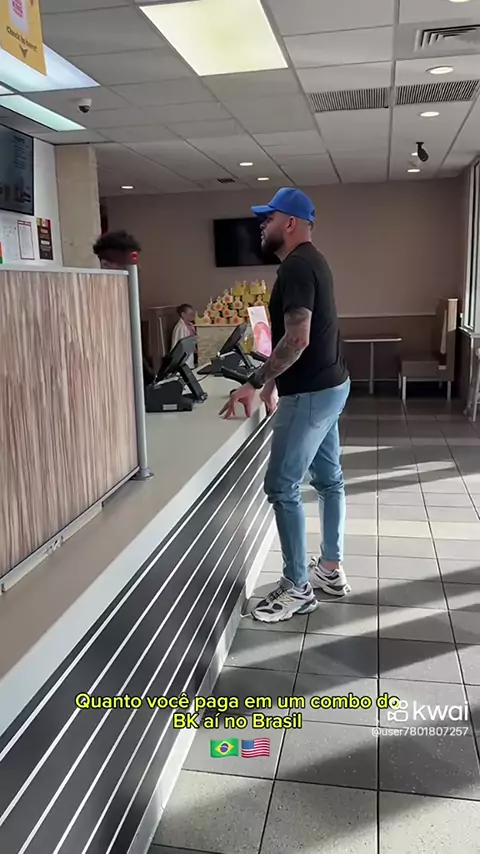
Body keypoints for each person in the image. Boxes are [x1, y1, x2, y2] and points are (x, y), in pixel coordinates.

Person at [220, 188, 351, 623]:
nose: (262, 225)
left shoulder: (295, 266)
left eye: (269, 218)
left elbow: (297, 338)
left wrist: (256, 381)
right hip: (331, 385)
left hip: (311, 394)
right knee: (329, 481)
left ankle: (298, 587)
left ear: (290, 223)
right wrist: (273, 380)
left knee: (281, 486)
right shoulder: (315, 260)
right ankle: (329, 568)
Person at [93, 229, 155, 384]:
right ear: (105, 265)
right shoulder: (95, 304)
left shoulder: (125, 296)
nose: (137, 271)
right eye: (127, 268)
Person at [171, 303, 197, 368]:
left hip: (190, 355)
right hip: (183, 358)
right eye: (190, 314)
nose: (192, 315)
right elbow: (182, 346)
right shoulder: (180, 327)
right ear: (183, 314)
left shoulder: (191, 325)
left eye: (193, 313)